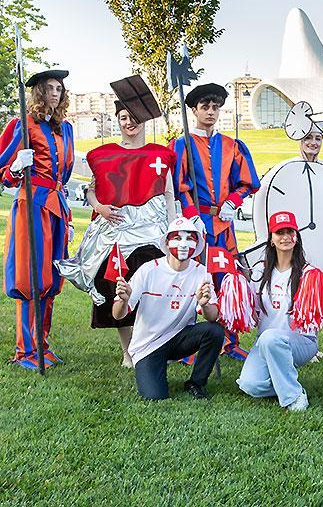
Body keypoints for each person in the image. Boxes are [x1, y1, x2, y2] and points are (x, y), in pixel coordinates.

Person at [57, 88, 176, 367]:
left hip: (152, 234)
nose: (129, 122)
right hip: (116, 233)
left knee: (152, 292)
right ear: (118, 121)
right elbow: (91, 190)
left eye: (133, 117)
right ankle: (127, 352)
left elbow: (169, 194)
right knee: (119, 289)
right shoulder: (103, 155)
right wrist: (98, 207)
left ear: (144, 119)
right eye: (123, 117)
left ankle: (152, 346)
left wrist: (172, 230)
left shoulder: (161, 155)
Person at [170, 82, 261, 360]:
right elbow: (178, 185)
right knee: (191, 279)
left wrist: (233, 201)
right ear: (194, 110)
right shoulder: (183, 144)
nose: (210, 112)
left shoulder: (232, 145)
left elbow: (246, 181)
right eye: (205, 107)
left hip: (224, 225)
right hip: (195, 227)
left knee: (227, 279)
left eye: (215, 107)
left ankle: (229, 340)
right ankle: (188, 344)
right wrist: (191, 215)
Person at [0, 69, 74, 370]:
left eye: (59, 88)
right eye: (50, 88)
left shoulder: (66, 129)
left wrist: (68, 217)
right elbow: (3, 173)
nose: (55, 93)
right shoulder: (22, 123)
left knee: (52, 278)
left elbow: (63, 177)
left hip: (57, 207)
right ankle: (25, 349)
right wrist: (17, 167)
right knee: (30, 276)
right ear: (39, 92)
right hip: (31, 204)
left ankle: (42, 344)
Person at [112, 216, 225, 400]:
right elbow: (118, 315)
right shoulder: (149, 270)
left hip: (180, 338)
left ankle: (196, 382)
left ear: (197, 244)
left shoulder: (201, 272)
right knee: (154, 396)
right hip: (148, 345)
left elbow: (213, 317)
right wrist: (124, 301)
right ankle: (152, 368)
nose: (183, 244)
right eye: (177, 238)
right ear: (166, 242)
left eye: (190, 239)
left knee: (215, 331)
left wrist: (204, 304)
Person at [238, 211, 323, 410]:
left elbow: (318, 318)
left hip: (302, 341)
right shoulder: (259, 271)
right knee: (250, 385)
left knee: (271, 338)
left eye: (290, 231)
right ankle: (286, 383)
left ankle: (294, 396)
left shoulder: (310, 274)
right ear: (271, 239)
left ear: (296, 237)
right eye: (279, 232)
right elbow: (253, 313)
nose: (285, 237)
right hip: (264, 341)